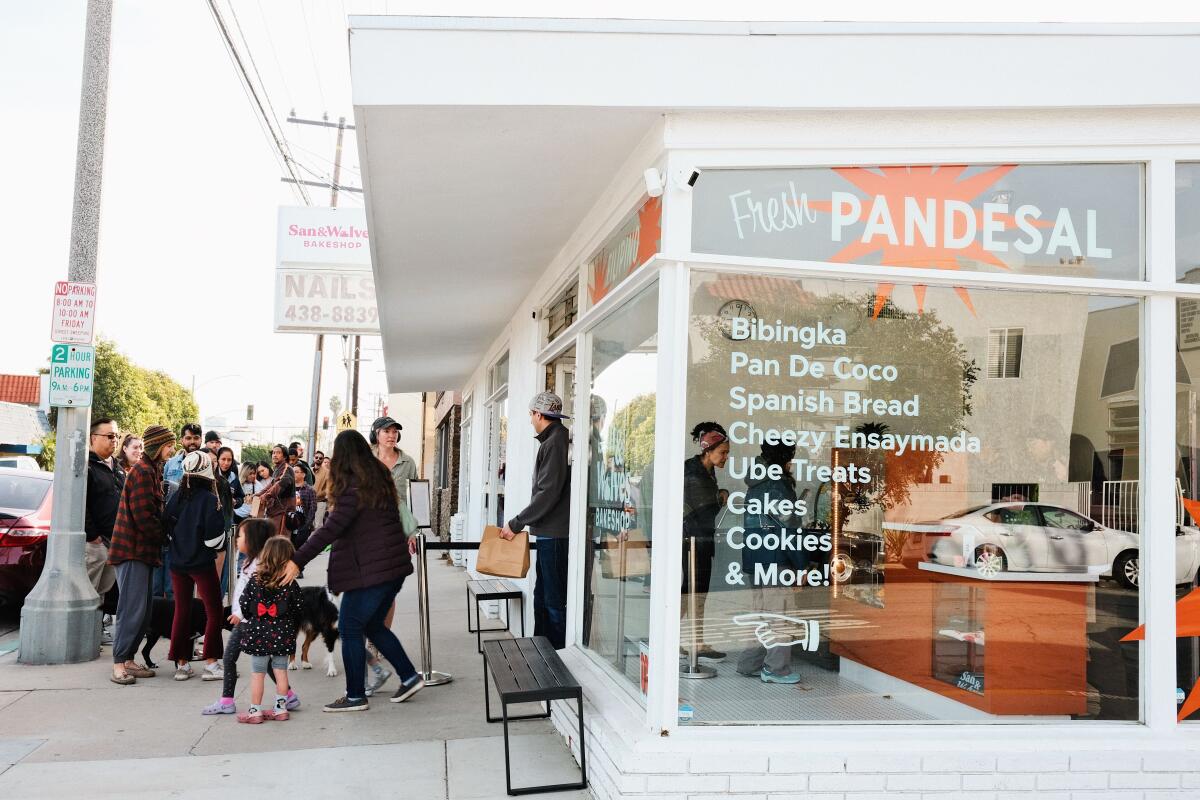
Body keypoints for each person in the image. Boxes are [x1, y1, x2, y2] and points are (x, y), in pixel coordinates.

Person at [281, 429, 423, 712]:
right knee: (370, 625)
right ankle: (408, 677)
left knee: (348, 626)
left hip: (375, 572)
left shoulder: (353, 488)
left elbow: (330, 529)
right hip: (390, 569)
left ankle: (356, 695)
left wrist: (297, 559)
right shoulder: (378, 479)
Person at [203, 519, 300, 715]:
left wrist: (239, 613)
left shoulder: (259, 565)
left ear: (253, 540)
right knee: (270, 662)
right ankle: (288, 696)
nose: (237, 539)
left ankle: (228, 700)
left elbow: (255, 596)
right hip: (250, 620)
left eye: (240, 536)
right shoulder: (250, 561)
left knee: (233, 658)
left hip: (250, 621)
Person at [500, 392, 572, 650]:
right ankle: (542, 651)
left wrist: (517, 522)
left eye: (531, 415)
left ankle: (559, 657)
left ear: (539, 415)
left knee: (553, 601)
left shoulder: (555, 442)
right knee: (542, 597)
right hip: (549, 533)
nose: (531, 420)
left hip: (555, 535)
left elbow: (548, 492)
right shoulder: (555, 440)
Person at [108, 425, 176, 685]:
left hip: (143, 552)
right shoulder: (143, 472)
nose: (172, 449)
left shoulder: (152, 470)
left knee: (144, 611)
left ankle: (128, 659)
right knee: (132, 609)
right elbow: (143, 516)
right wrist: (165, 536)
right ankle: (118, 663)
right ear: (159, 445)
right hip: (132, 551)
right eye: (169, 445)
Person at [735, 441, 807, 685]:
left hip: (755, 556)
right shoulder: (779, 486)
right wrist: (802, 565)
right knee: (780, 613)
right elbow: (789, 529)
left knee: (760, 612)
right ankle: (776, 669)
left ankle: (749, 663)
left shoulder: (755, 483)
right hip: (776, 558)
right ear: (785, 460)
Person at [163, 451, 226, 682]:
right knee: (214, 610)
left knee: (182, 610)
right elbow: (215, 541)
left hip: (177, 562)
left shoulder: (177, 497)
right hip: (201, 563)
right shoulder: (210, 500)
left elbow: (166, 528)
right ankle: (211, 663)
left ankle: (182, 664)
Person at [237, 537, 302, 724]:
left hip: (258, 634)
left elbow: (244, 604)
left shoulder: (255, 581)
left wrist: (253, 617)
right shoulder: (290, 583)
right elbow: (298, 607)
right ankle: (280, 709)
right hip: (283, 634)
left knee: (258, 674)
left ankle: (255, 711)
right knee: (281, 671)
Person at [682, 422, 730, 663]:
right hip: (694, 542)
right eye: (723, 453)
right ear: (708, 450)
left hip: (695, 541)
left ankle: (682, 638)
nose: (726, 458)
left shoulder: (702, 470)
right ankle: (696, 642)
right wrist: (720, 499)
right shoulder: (694, 474)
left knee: (690, 592)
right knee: (696, 592)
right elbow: (705, 511)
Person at [86, 417, 124, 645]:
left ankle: (96, 631)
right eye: (110, 436)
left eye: (117, 436)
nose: (115, 440)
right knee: (90, 590)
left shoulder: (116, 467)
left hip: (113, 541)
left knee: (103, 590)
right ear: (93, 438)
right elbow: (82, 506)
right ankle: (86, 634)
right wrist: (93, 536)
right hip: (95, 543)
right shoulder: (88, 467)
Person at [158, 422, 203, 598]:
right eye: (188, 438)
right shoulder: (171, 463)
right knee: (159, 583)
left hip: (191, 529)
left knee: (178, 585)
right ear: (182, 440)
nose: (192, 441)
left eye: (196, 438)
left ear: (201, 439)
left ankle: (174, 621)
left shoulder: (206, 464)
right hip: (169, 525)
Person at [370, 417, 418, 509]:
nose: (392, 436)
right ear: (375, 434)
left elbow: (415, 495)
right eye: (386, 431)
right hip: (372, 518)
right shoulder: (366, 459)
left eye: (395, 431)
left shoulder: (408, 463)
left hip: (400, 520)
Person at [254, 444, 296, 537]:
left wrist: (265, 496)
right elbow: (272, 484)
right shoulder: (277, 468)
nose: (275, 455)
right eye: (273, 453)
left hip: (283, 513)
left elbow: (280, 484)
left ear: (285, 456)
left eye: (278, 453)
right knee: (273, 541)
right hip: (275, 512)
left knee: (279, 543)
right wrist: (259, 494)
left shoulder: (287, 468)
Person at [291, 463, 317, 550]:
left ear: (303, 474)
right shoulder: (289, 488)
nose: (293, 474)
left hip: (303, 525)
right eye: (292, 472)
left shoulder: (309, 490)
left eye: (296, 472)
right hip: (290, 523)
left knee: (298, 549)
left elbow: (312, 509)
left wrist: (307, 525)